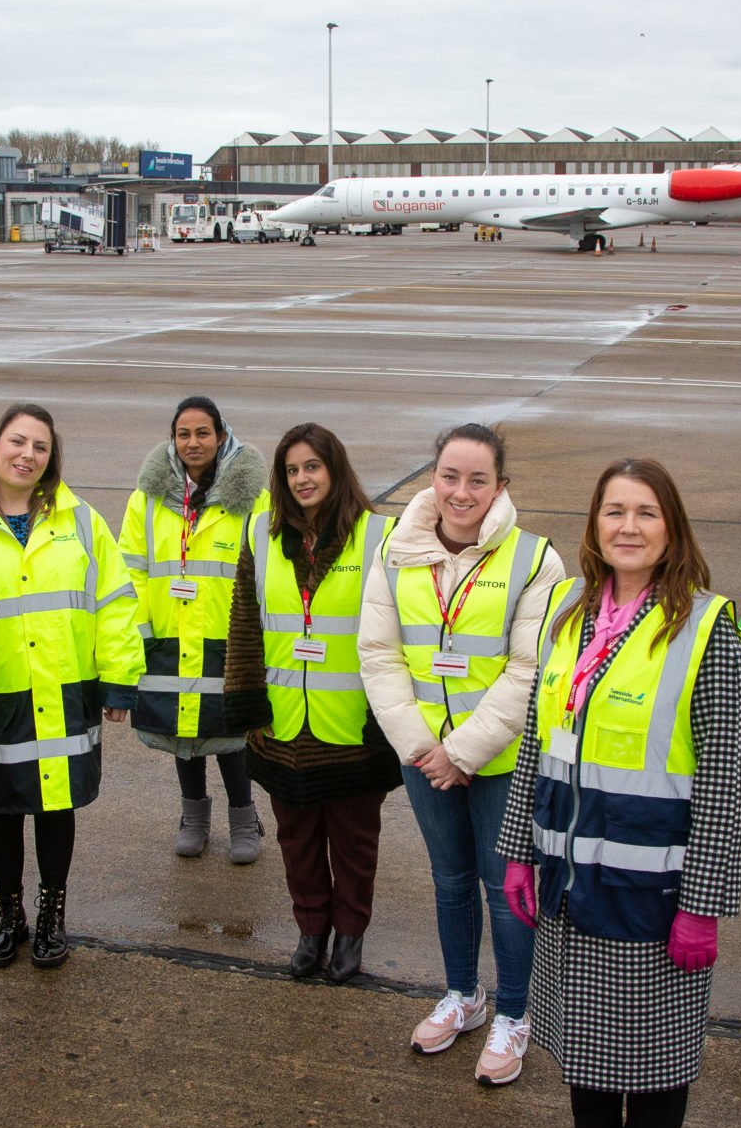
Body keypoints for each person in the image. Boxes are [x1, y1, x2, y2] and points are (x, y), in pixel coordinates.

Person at [499, 458, 741, 1128]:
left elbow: (722, 776)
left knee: (654, 1049)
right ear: (594, 526)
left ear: (671, 527)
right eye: (614, 512)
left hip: (654, 886)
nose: (628, 526)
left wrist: (703, 900)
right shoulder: (570, 617)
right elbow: (538, 742)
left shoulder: (708, 628)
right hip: (571, 882)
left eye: (645, 512)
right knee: (584, 1043)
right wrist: (517, 852)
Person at [363, 423, 565, 1081]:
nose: (461, 490)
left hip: (499, 760)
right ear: (433, 476)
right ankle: (462, 995)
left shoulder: (535, 559)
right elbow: (379, 653)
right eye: (450, 475)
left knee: (506, 890)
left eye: (478, 479)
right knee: (450, 883)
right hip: (423, 756)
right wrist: (425, 748)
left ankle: (515, 1012)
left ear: (501, 486)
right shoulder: (396, 549)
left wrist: (464, 752)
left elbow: (528, 671)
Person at [0, 404, 142, 969]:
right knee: (1, 807)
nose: (27, 455)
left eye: (39, 447)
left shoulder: (79, 519)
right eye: (17, 441)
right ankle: (9, 913)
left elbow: (114, 601)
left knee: (56, 803)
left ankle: (53, 912)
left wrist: (118, 681)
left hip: (63, 687)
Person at [223, 423, 399, 983]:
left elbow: (397, 634)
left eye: (312, 467)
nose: (302, 479)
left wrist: (390, 718)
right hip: (281, 726)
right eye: (292, 470)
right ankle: (310, 930)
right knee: (296, 841)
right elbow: (244, 629)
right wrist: (249, 711)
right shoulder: (260, 536)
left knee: (353, 844)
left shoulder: (379, 537)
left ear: (335, 469)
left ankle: (350, 935)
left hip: (353, 729)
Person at [123, 395, 270, 862]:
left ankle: (244, 817)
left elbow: (266, 571)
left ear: (221, 436)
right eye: (183, 433)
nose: (193, 442)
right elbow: (132, 569)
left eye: (203, 433)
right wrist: (143, 630)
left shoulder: (254, 500)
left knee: (228, 733)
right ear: (173, 439)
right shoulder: (146, 499)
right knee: (181, 731)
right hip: (169, 632)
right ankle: (194, 816)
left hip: (228, 634)